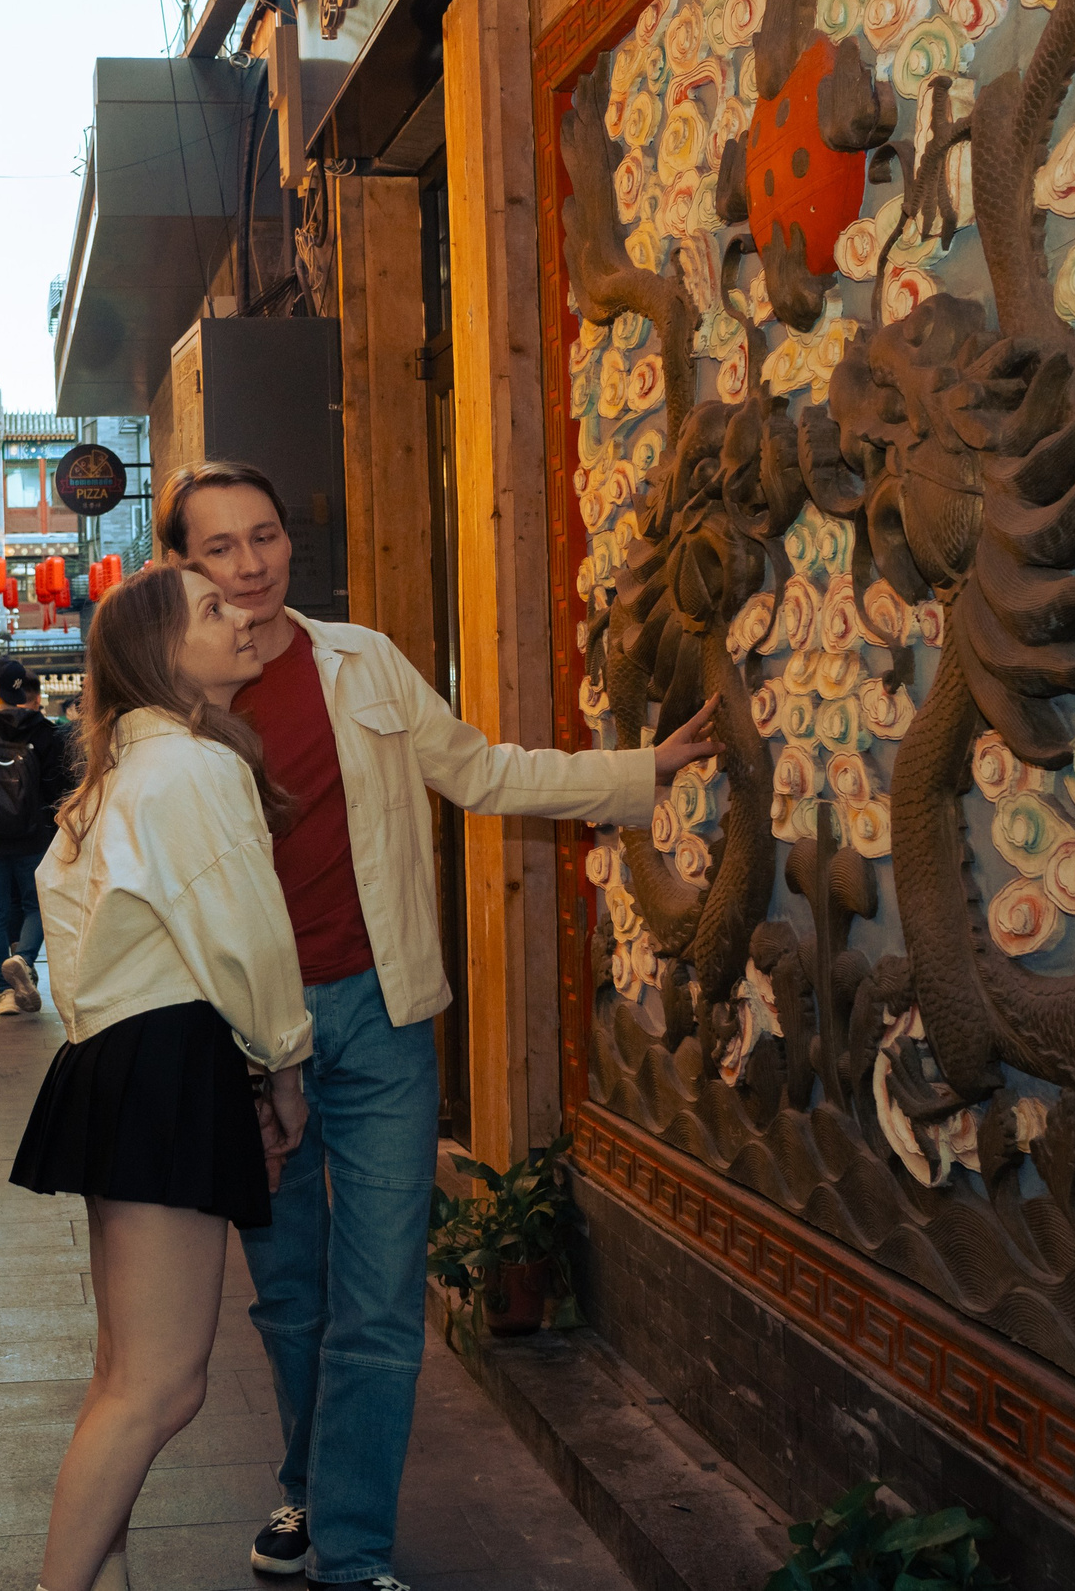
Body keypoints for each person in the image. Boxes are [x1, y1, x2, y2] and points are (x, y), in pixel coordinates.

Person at [161, 461, 722, 1590]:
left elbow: (476, 770)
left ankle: (351, 1549)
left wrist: (640, 769)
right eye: (220, 547)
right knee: (290, 1297)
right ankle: (307, 1489)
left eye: (264, 536)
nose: (251, 564)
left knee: (375, 1302)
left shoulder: (359, 662)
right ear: (182, 564)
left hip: (378, 1018)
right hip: (246, 1034)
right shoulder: (170, 696)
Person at [11, 562, 313, 1591]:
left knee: (128, 1377)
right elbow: (248, 936)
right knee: (155, 1386)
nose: (242, 615)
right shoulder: (187, 767)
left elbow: (64, 933)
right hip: (166, 1059)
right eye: (212, 611)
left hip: (121, 1059)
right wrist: (283, 1064)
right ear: (157, 652)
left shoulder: (121, 776)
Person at [0, 657, 76, 1016]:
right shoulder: (46, 731)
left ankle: (5, 993)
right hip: (35, 838)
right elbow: (58, 790)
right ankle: (23, 958)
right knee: (37, 907)